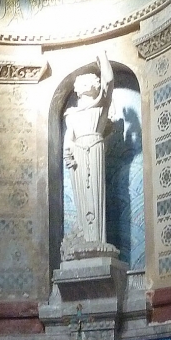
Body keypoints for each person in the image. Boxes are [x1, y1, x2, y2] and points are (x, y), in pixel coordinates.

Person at [64, 52, 114, 244]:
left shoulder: (100, 105)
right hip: (77, 153)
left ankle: (97, 241)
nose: (85, 85)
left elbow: (109, 81)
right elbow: (70, 135)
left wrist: (103, 60)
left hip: (94, 147)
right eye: (82, 83)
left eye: (89, 81)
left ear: (95, 85)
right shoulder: (72, 113)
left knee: (95, 194)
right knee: (82, 197)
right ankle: (85, 239)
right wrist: (67, 150)